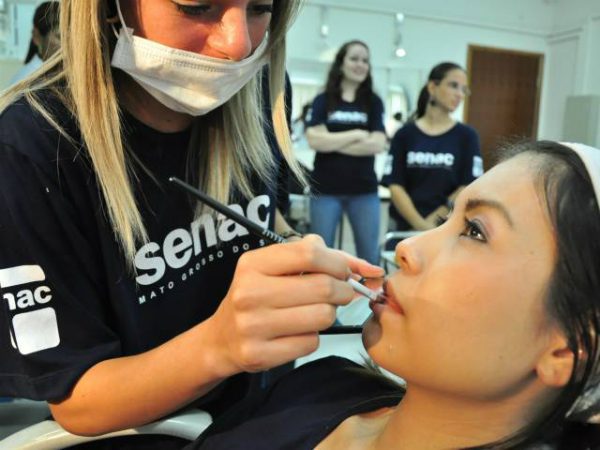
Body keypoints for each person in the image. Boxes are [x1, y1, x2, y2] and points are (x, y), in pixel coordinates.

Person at [0, 0, 383, 447]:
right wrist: (219, 346)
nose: (238, 46)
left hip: (261, 412)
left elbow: (265, 214)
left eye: (261, 8)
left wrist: (295, 249)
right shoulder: (31, 148)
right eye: (196, 6)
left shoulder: (256, 92)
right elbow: (79, 400)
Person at [186, 140, 600, 449]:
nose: (407, 247)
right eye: (446, 218)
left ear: (565, 350)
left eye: (474, 231)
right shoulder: (319, 384)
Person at [305, 40, 387, 265]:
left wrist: (331, 141)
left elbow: (377, 144)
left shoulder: (373, 102)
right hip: (325, 190)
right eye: (354, 59)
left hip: (364, 191)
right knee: (321, 257)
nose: (360, 64)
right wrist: (358, 134)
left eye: (365, 60)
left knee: (369, 257)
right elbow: (314, 140)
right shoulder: (323, 100)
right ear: (341, 64)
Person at [381, 62, 483, 234]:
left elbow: (467, 185)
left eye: (463, 89)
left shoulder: (467, 136)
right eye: (453, 86)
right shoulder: (404, 134)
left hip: (445, 227)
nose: (459, 94)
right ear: (432, 87)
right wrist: (419, 225)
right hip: (403, 227)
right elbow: (395, 185)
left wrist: (432, 223)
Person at [9, 1, 60, 85]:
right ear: (37, 37)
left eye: (70, 39)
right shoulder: (24, 82)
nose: (67, 46)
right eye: (59, 37)